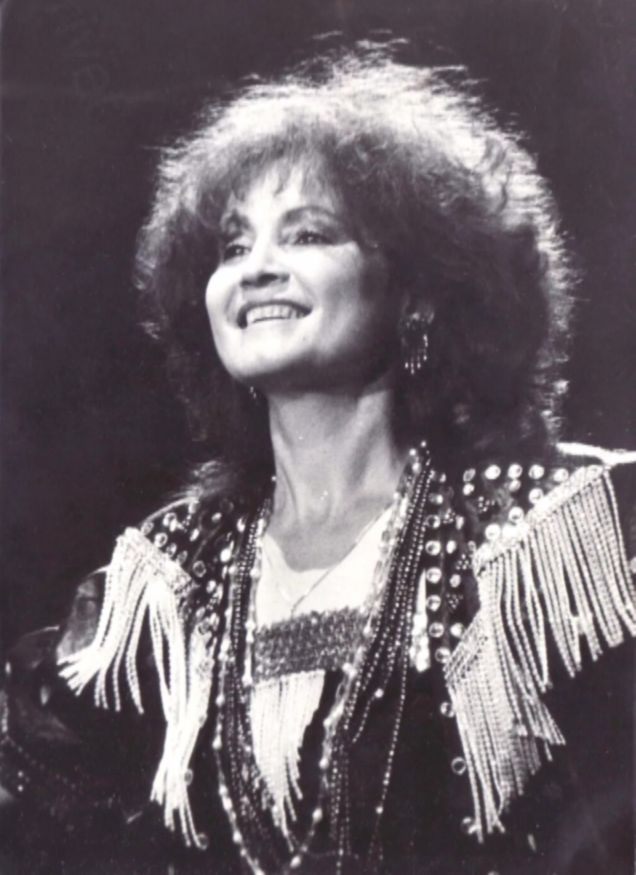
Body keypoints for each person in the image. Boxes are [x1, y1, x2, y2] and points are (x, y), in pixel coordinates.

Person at [1, 43, 635, 875]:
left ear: (416, 294)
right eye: (233, 247)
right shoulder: (161, 586)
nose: (257, 269)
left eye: (308, 234)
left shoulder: (554, 539)